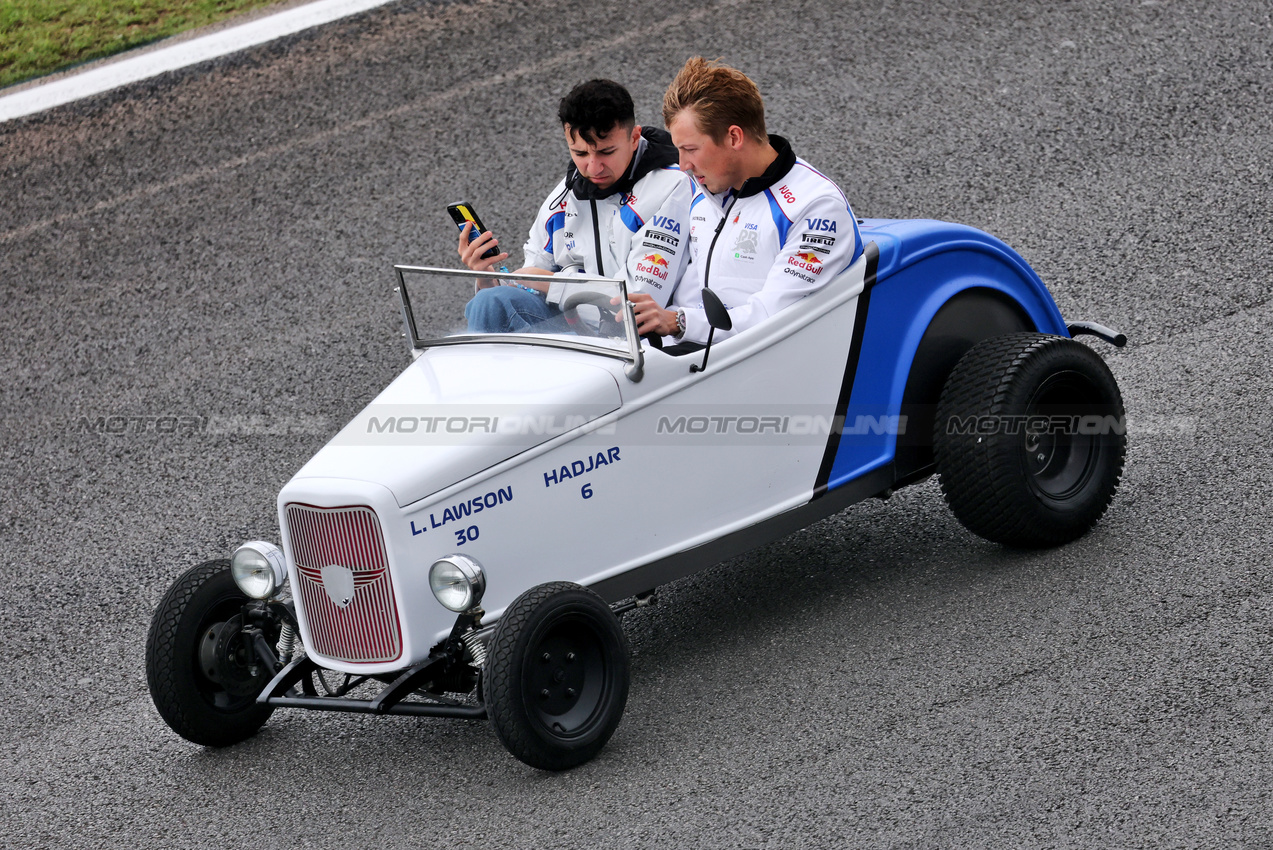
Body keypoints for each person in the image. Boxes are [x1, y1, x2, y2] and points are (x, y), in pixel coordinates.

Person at [627, 57, 862, 348]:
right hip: (692, 355)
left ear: (734, 137)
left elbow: (772, 317)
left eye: (690, 149)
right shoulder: (701, 187)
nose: (683, 165)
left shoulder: (817, 209)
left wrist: (678, 323)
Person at [458, 79, 694, 333]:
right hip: (578, 333)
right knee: (489, 301)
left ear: (634, 138)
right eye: (580, 154)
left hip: (643, 345)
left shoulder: (672, 185)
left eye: (606, 152)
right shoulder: (563, 196)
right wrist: (487, 277)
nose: (593, 168)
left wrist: (553, 283)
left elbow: (638, 303)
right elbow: (526, 284)